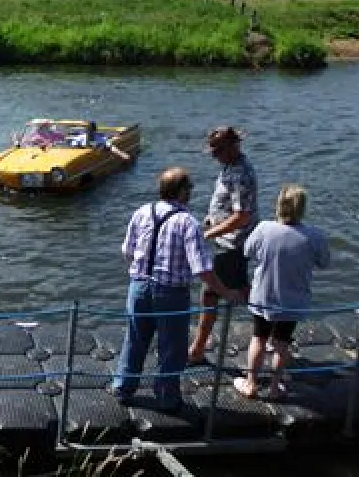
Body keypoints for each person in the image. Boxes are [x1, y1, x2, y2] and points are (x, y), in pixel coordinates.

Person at [112, 167, 239, 412]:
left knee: (135, 339)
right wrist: (226, 292)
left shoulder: (141, 212)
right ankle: (167, 397)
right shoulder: (187, 222)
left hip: (138, 287)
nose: (190, 192)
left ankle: (123, 387)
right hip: (171, 293)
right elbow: (202, 269)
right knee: (172, 348)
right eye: (189, 188)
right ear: (181, 191)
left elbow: (127, 251)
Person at [234, 185, 330, 400]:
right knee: (282, 342)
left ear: (279, 205)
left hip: (264, 295)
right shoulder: (314, 235)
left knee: (258, 337)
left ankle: (251, 384)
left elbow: (247, 251)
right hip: (293, 298)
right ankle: (276, 387)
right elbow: (324, 262)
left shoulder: (264, 228)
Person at [188, 126, 258, 364]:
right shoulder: (228, 167)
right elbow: (227, 206)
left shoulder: (241, 174)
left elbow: (242, 216)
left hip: (231, 245)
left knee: (210, 293)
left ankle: (197, 349)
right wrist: (212, 218)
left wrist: (208, 234)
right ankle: (270, 322)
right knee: (238, 290)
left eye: (217, 151)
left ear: (232, 147)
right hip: (224, 241)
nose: (213, 156)